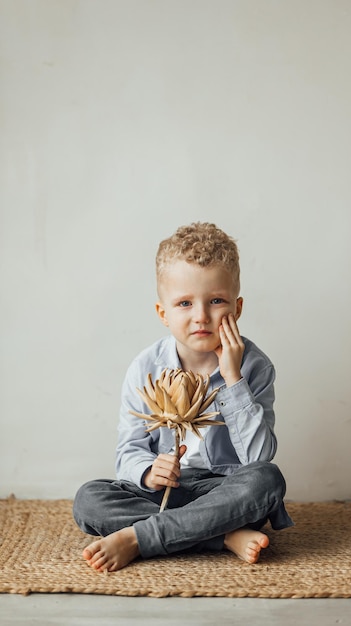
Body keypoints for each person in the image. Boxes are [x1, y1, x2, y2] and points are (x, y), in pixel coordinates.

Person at [73, 222, 293, 572]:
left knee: (267, 481)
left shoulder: (254, 366)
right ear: (163, 313)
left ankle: (139, 538)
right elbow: (129, 449)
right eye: (185, 303)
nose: (201, 316)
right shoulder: (145, 367)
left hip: (224, 493)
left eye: (216, 300)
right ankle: (221, 536)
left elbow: (258, 458)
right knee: (89, 500)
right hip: (164, 494)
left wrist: (233, 378)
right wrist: (148, 472)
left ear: (236, 308)